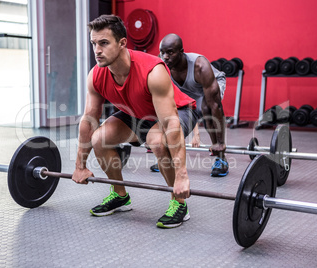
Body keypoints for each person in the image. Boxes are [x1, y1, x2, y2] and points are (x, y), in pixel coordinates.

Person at [72, 15, 199, 229]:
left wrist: (182, 175)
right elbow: (89, 120)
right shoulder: (96, 75)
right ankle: (120, 195)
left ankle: (179, 203)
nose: (97, 50)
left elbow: (170, 123)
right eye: (94, 43)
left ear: (122, 43)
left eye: (104, 43)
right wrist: (80, 166)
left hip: (178, 112)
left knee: (157, 141)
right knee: (99, 138)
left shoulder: (152, 71)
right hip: (137, 114)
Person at [150, 33, 228, 177]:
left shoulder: (200, 66)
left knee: (206, 108)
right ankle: (168, 156)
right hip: (188, 92)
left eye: (170, 52)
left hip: (210, 86)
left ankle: (221, 158)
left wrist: (221, 142)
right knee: (170, 116)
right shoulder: (162, 65)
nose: (165, 56)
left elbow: (215, 106)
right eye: (162, 52)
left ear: (181, 52)